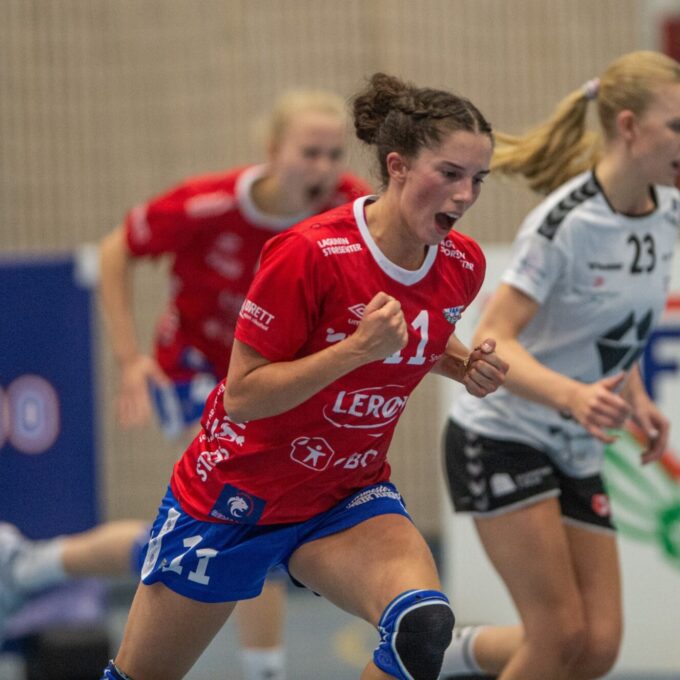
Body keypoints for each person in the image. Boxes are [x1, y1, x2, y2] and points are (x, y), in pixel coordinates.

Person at [99, 72, 508, 680]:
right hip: (236, 496)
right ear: (396, 167)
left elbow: (422, 334)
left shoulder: (462, 263)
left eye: (478, 178)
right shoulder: (307, 252)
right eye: (449, 173)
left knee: (421, 626)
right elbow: (242, 397)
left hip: (343, 495)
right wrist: (354, 351)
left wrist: (465, 364)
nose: (465, 194)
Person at [0, 89, 372, 680]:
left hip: (279, 381)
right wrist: (130, 359)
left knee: (208, 537)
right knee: (253, 514)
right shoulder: (207, 205)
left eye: (334, 155)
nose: (324, 169)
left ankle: (37, 563)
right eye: (309, 153)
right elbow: (116, 249)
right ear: (273, 150)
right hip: (197, 373)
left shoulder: (352, 206)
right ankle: (265, 671)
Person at [440, 50, 680, 680]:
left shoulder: (668, 212)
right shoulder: (565, 223)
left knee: (596, 647)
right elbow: (492, 340)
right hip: (501, 436)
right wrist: (573, 396)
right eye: (677, 126)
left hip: (575, 446)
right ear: (629, 127)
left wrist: (635, 394)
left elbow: (609, 326)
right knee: (557, 634)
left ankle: (451, 653)